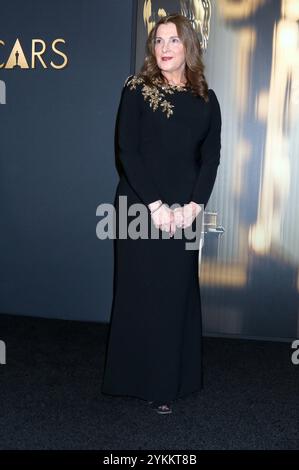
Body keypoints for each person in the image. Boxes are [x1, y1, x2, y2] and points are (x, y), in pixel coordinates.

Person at [101, 13, 222, 415]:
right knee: (140, 294)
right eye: (158, 41)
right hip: (137, 206)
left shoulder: (207, 99)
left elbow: (211, 159)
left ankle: (169, 384)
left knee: (174, 296)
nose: (165, 48)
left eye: (173, 40)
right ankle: (135, 380)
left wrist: (191, 207)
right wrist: (155, 206)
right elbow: (127, 152)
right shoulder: (136, 89)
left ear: (189, 46)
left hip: (185, 211)